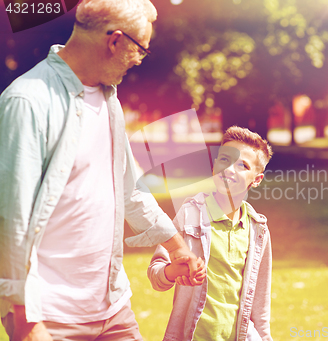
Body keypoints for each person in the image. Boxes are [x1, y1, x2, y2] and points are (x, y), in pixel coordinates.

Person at [0, 0, 205, 340]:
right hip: (50, 319)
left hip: (113, 310)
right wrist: (26, 321)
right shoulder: (28, 102)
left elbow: (130, 189)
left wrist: (177, 248)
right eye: (140, 49)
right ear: (115, 41)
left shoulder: (109, 99)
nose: (140, 59)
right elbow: (11, 221)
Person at [148, 126, 274, 341]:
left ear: (257, 179)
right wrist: (172, 271)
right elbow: (156, 274)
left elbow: (260, 306)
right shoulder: (189, 215)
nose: (230, 169)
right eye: (225, 159)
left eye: (242, 165)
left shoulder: (258, 229)